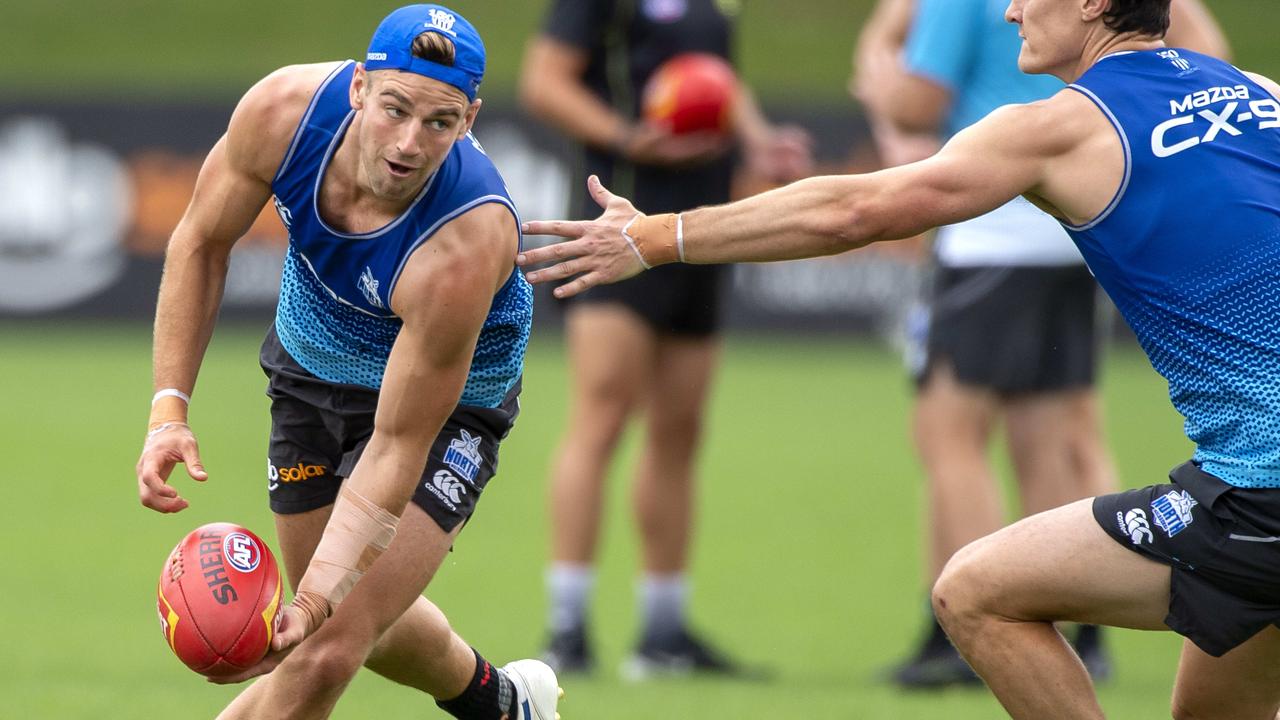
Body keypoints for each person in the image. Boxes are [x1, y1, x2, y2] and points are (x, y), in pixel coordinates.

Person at [518, 0, 1280, 716]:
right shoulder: (1259, 91)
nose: (1010, 9)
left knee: (975, 592)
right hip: (1244, 489)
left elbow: (856, 210)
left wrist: (655, 237)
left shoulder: (1060, 128)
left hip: (1259, 497)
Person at [133, 6, 561, 719]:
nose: (408, 144)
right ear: (360, 86)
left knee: (326, 643)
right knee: (356, 624)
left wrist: (314, 602)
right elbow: (200, 243)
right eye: (395, 108)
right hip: (310, 367)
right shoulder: (282, 114)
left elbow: (397, 444)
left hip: (445, 410)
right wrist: (167, 410)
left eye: (440, 122)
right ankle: (507, 705)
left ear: (471, 118)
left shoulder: (466, 242)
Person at [851, 0, 1228, 689]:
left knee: (948, 431)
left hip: (996, 225)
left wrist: (877, 60)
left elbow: (916, 103)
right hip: (1088, 217)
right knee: (1056, 429)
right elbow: (1205, 49)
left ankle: (965, 623)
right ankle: (1085, 627)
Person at [517, 0, 811, 678]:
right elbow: (544, 80)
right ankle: (567, 629)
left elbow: (718, 79)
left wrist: (758, 138)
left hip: (698, 231)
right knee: (602, 419)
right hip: (616, 223)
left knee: (680, 430)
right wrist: (627, 136)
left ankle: (663, 633)